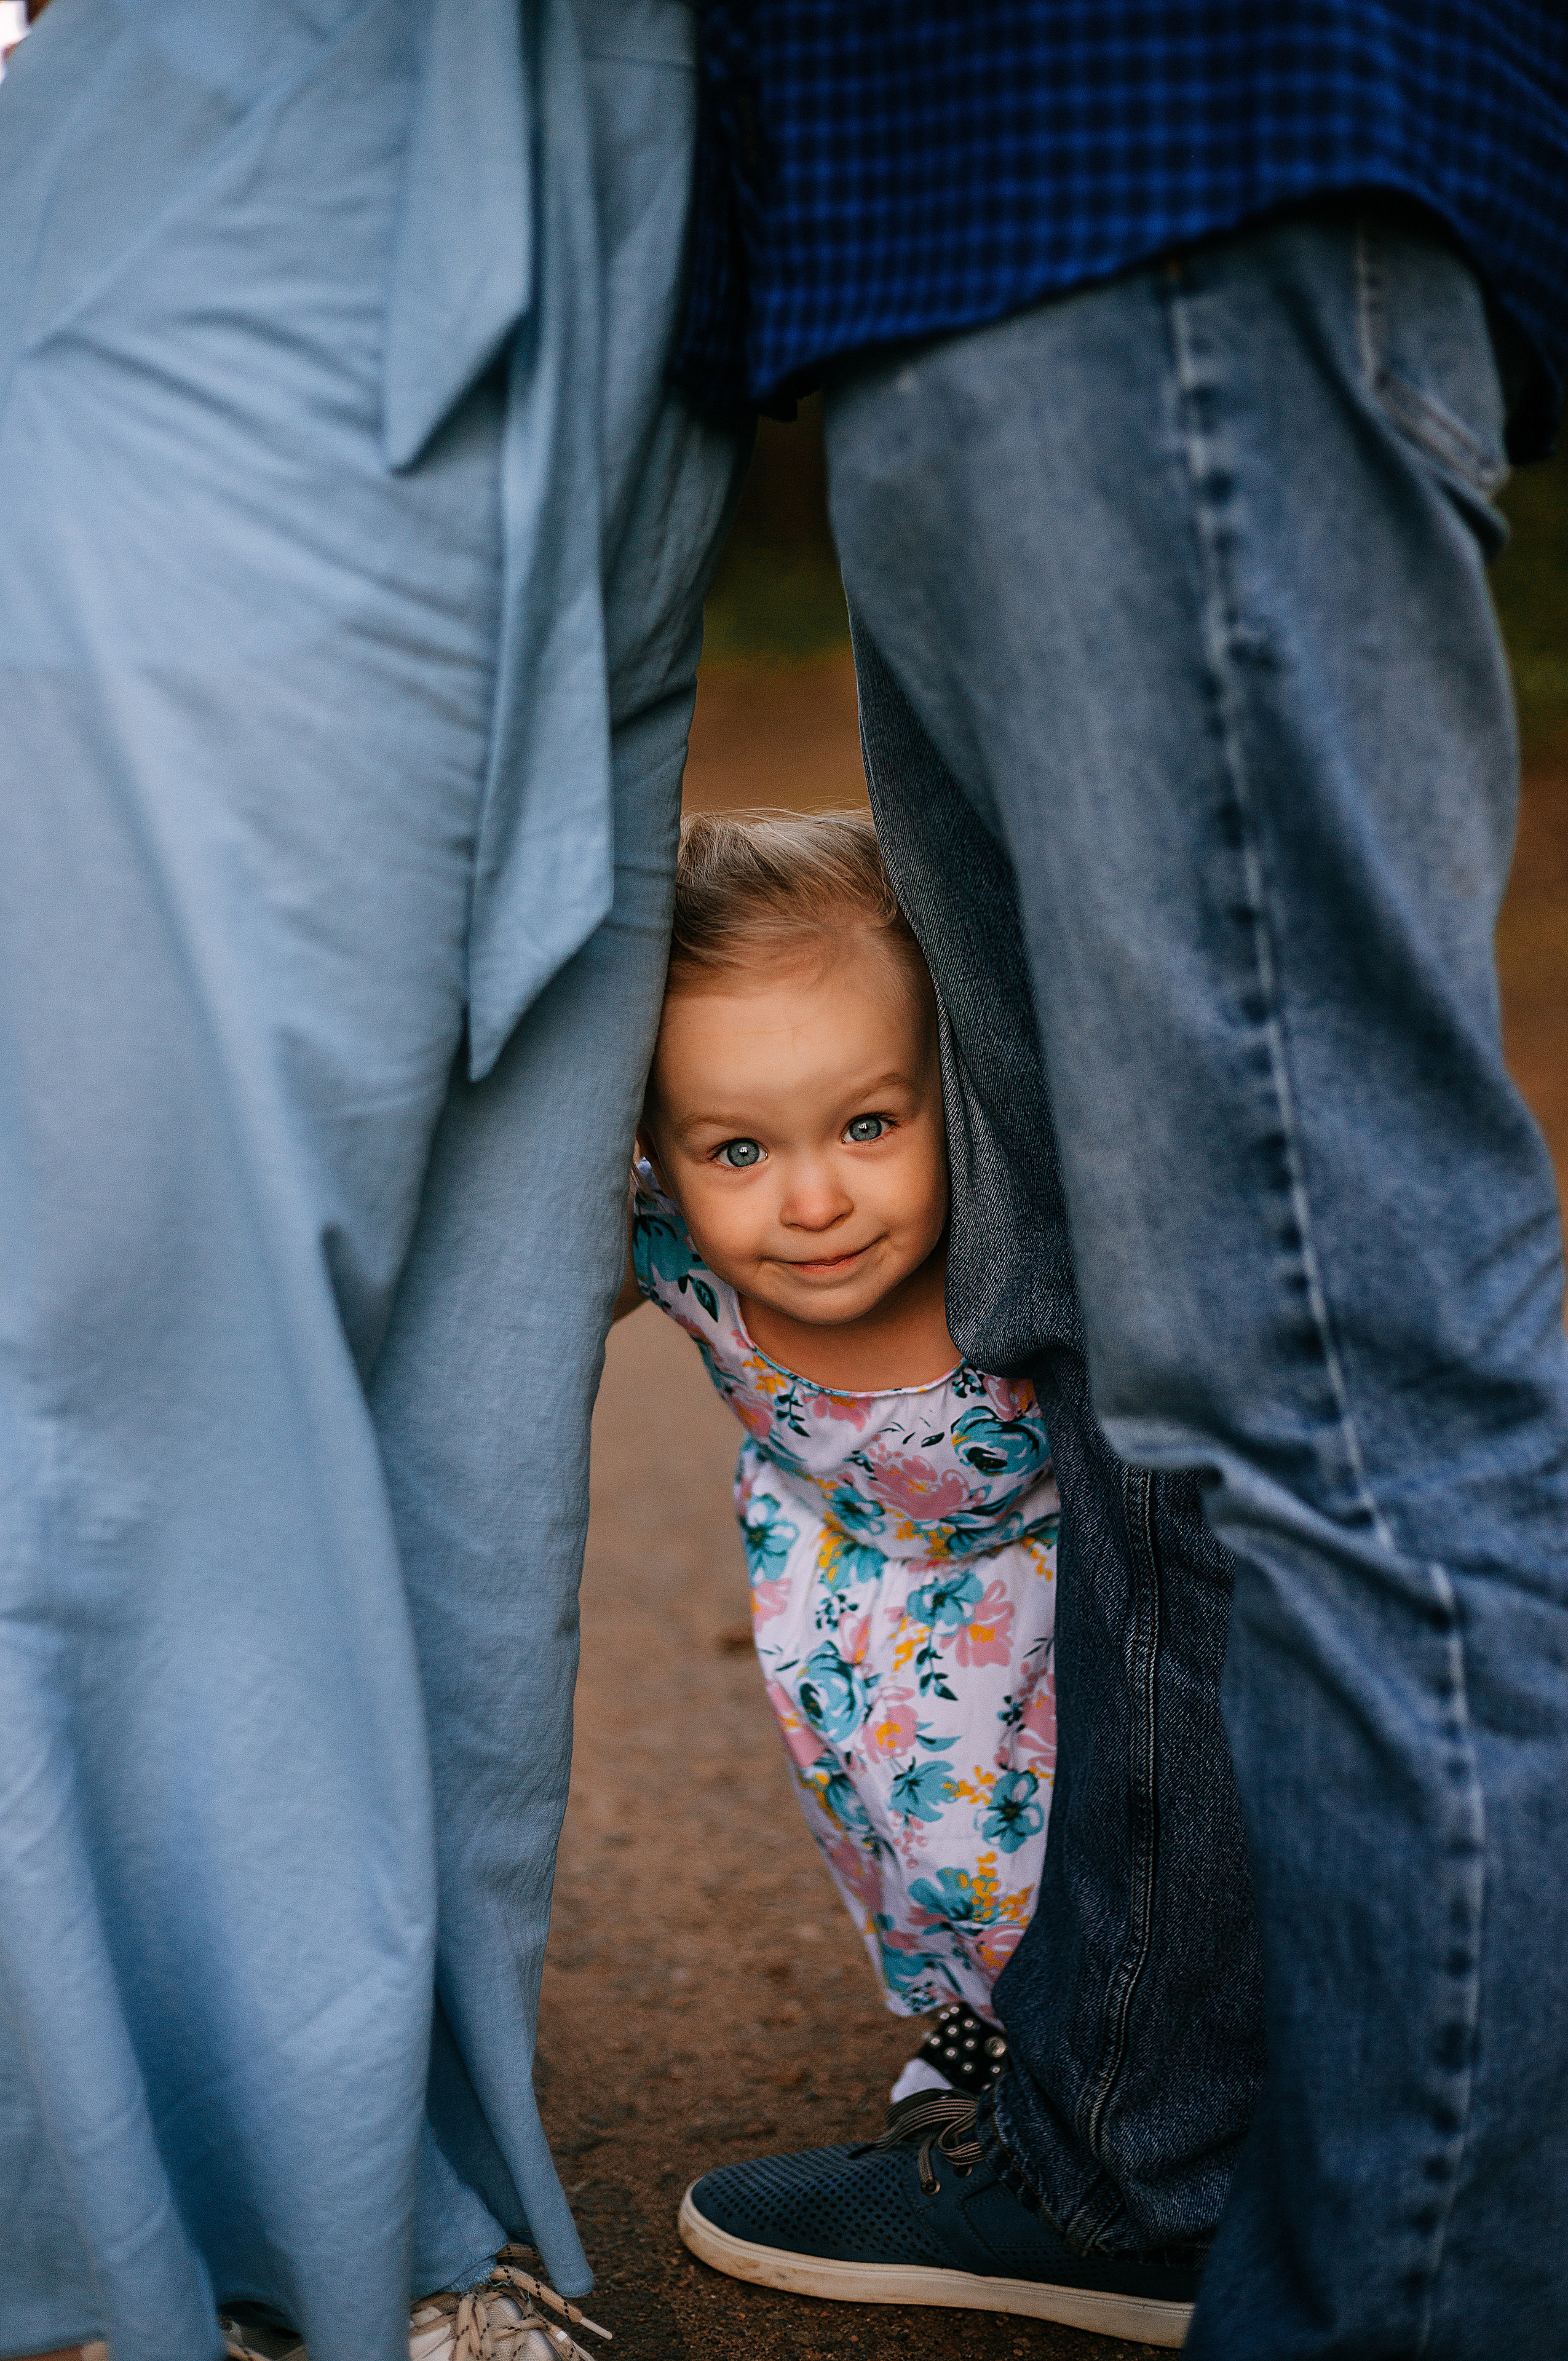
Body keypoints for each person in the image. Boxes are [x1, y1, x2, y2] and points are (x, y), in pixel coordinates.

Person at [673, 9, 1568, 2357]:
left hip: (1177, 167)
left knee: (1335, 1357)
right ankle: (1136, 2148)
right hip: (925, 253)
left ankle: (1426, 2299)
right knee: (1104, 1311)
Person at [0, 6, 740, 2360]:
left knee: (484, 1380)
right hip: (261, 201)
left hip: (650, 251)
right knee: (152, 1326)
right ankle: (113, 2242)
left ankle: (377, 2168)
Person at [622, 812, 1061, 2077]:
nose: (813, 1204)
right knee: (899, 1839)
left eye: (868, 1124)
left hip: (1045, 1581)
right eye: (738, 1149)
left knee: (1042, 1848)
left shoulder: (1017, 1240)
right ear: (656, 1152)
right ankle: (983, 2031)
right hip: (837, 1592)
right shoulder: (676, 1252)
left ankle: (1099, 2055)